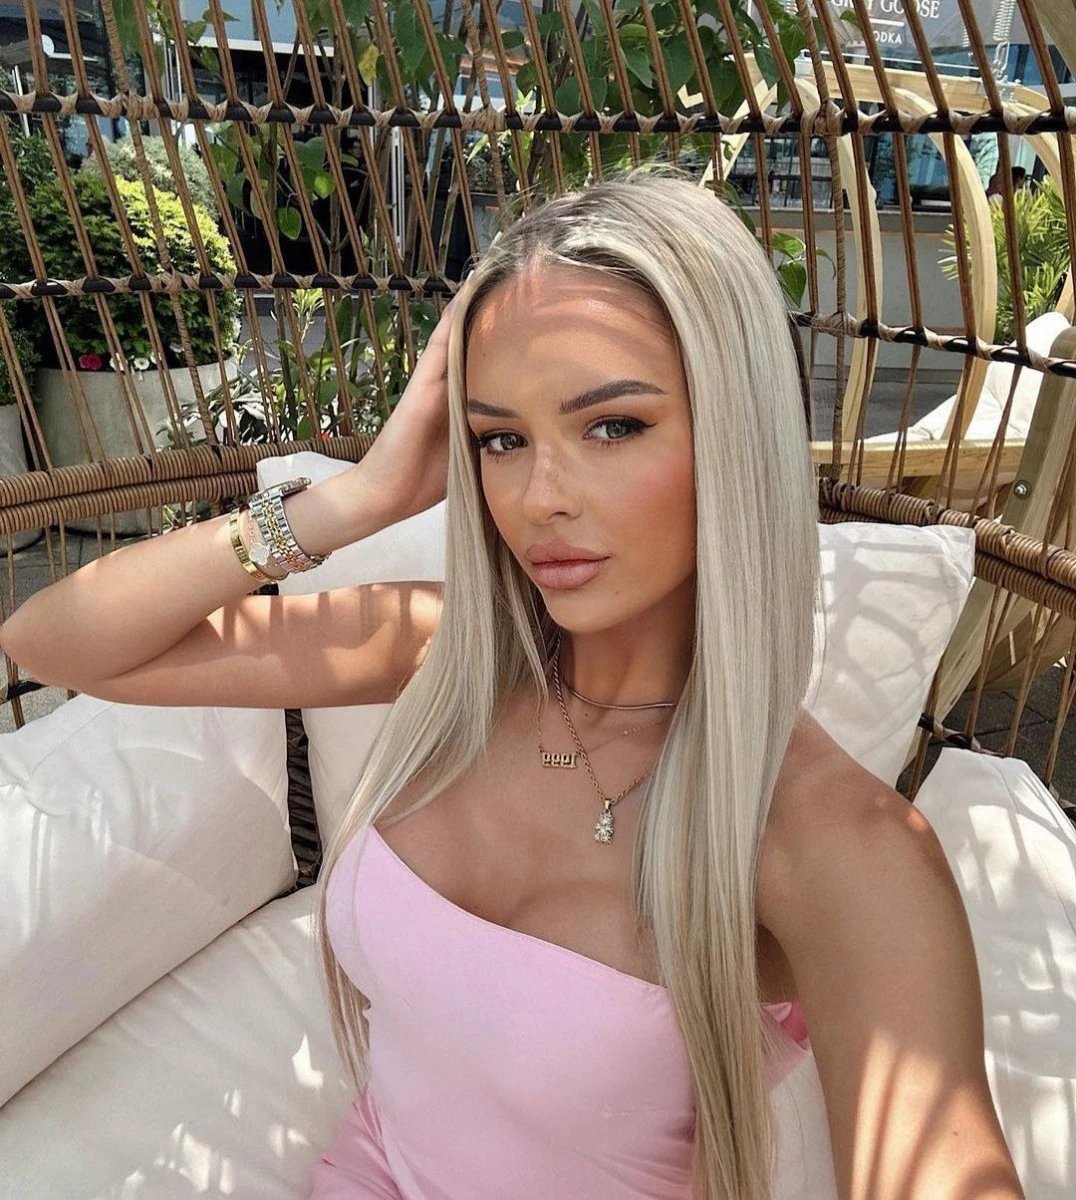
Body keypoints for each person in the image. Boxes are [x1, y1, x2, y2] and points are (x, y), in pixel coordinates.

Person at [0, 168, 1022, 1200]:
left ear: (736, 435)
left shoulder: (831, 844)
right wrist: (351, 502)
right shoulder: (443, 652)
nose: (539, 499)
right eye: (501, 439)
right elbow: (56, 642)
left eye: (612, 426)